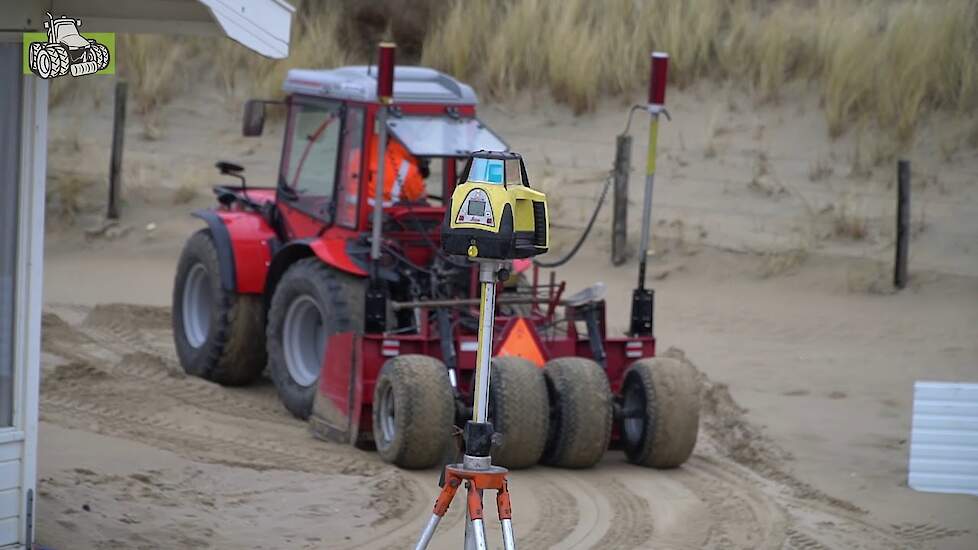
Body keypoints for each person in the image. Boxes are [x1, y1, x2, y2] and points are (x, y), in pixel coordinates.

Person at [366, 135, 426, 204]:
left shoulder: (370, 140)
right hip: (382, 211)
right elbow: (420, 197)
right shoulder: (409, 171)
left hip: (356, 206)